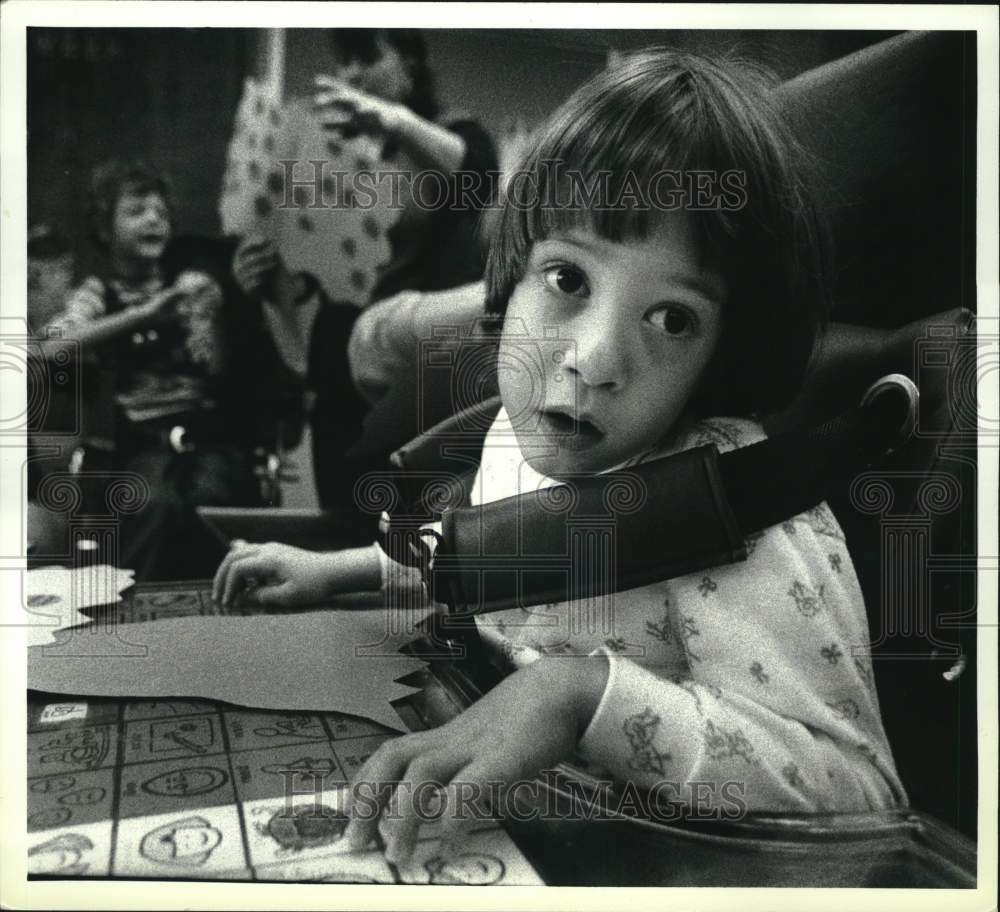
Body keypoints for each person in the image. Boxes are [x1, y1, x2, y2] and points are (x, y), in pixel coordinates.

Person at [212, 50, 906, 864]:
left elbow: (858, 794)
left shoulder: (737, 512)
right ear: (508, 280)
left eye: (673, 319)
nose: (595, 358)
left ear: (724, 353)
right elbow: (497, 560)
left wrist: (580, 697)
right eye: (568, 278)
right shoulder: (528, 429)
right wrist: (346, 570)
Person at [230, 29, 498, 524]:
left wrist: (395, 121)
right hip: (344, 356)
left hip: (423, 351)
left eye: (366, 57)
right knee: (349, 519)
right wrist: (267, 285)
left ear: (410, 62)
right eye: (345, 62)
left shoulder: (451, 135)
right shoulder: (334, 157)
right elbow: (311, 283)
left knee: (416, 525)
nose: (352, 74)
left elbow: (479, 176)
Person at [43, 158, 302, 580]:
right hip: (138, 443)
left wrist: (210, 316)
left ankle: (223, 606)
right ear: (105, 229)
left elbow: (216, 368)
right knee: (148, 502)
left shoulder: (191, 283)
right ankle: (146, 612)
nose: (153, 221)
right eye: (136, 212)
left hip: (210, 438)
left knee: (212, 503)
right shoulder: (98, 294)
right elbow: (51, 347)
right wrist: (146, 313)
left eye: (161, 213)